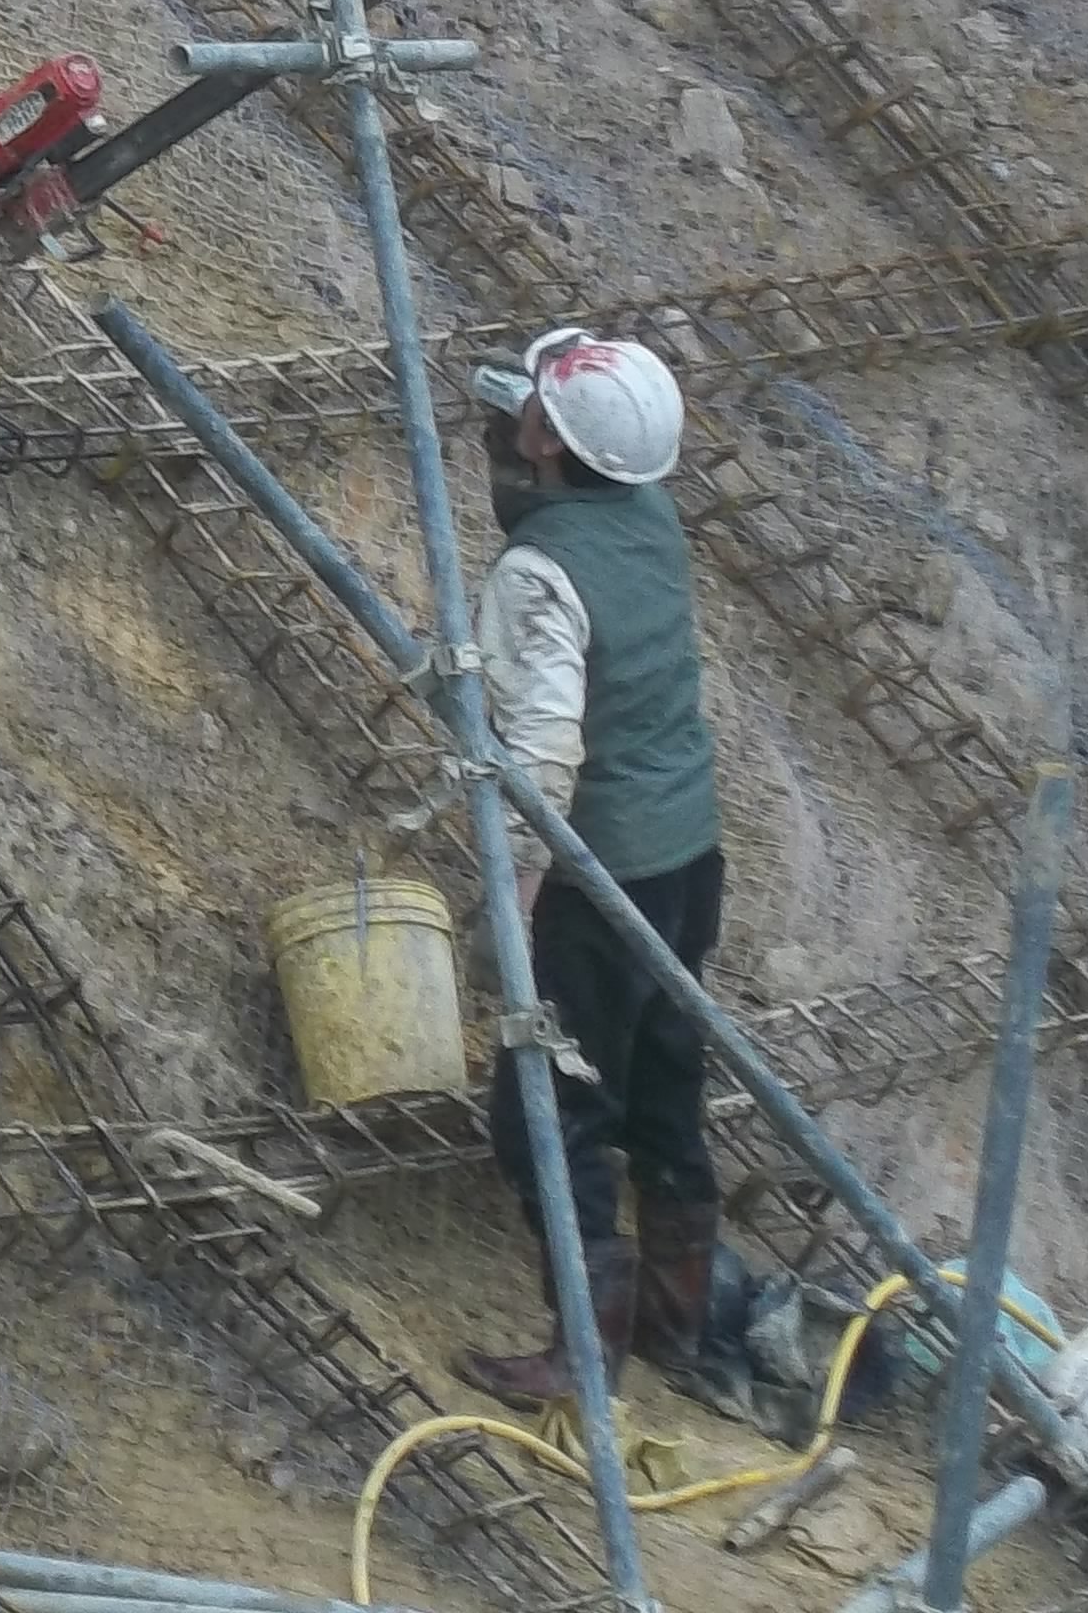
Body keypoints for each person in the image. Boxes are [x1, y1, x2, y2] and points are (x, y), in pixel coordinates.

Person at [455, 324, 728, 1410]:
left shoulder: (536, 576)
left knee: (547, 1107)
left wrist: (520, 892)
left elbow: (542, 748)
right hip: (687, 859)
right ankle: (677, 1319)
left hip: (598, 878)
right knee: (663, 1085)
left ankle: (582, 1352)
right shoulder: (649, 513)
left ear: (552, 443)